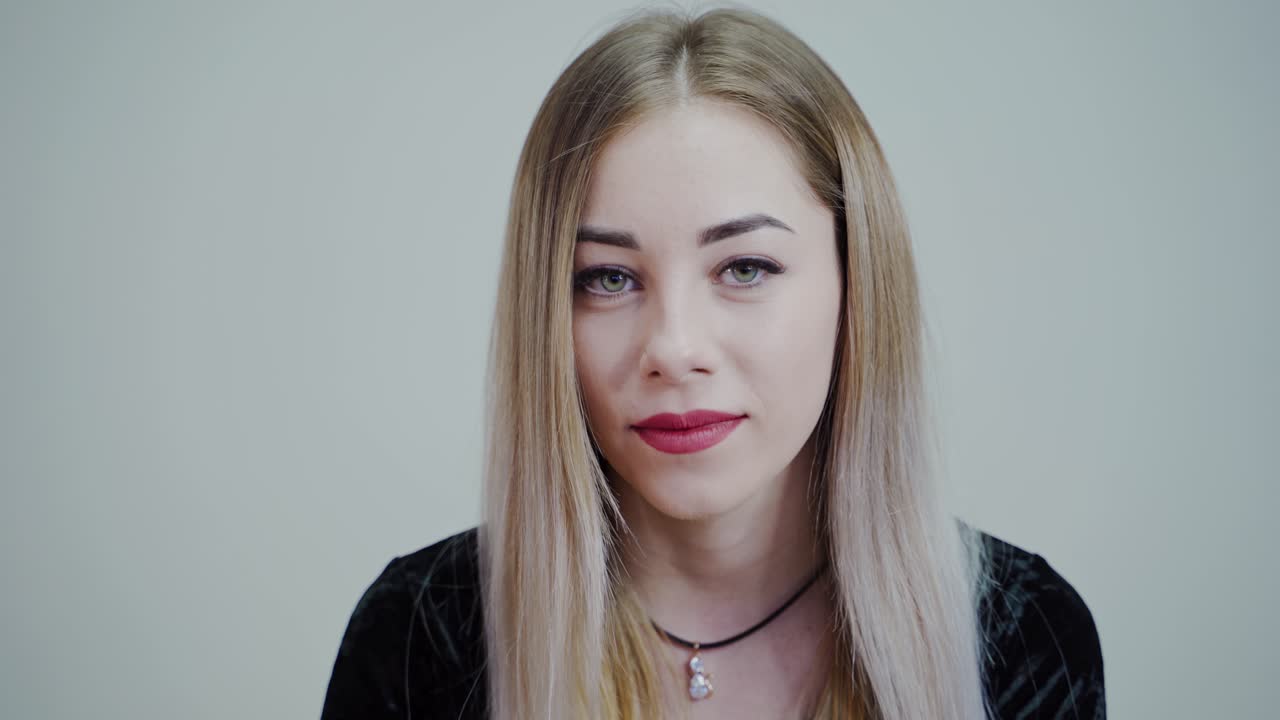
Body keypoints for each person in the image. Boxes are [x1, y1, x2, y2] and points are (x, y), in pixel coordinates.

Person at [320, 7, 1105, 719]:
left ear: (857, 282)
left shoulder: (1022, 642)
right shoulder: (420, 642)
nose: (674, 349)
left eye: (745, 269)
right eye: (609, 279)